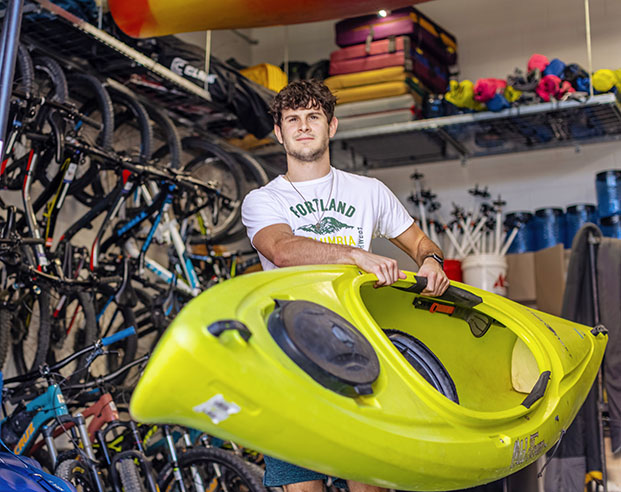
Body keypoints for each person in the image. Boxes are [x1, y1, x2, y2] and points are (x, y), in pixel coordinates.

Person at [241, 79, 450, 492]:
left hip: (362, 355)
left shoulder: (368, 191)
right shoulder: (263, 199)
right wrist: (355, 255)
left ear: (331, 126)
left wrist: (431, 260)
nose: (304, 127)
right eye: (293, 120)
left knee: (370, 484)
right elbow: (282, 249)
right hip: (290, 358)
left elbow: (420, 241)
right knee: (302, 487)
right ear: (279, 133)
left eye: (313, 117)